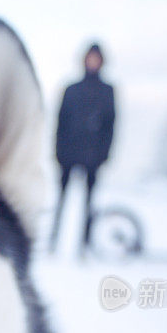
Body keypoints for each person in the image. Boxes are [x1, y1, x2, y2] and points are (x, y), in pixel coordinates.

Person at [49, 43, 115, 255]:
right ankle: (54, 241)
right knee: (61, 200)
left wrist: (104, 154)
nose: (92, 62)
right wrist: (58, 152)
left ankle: (84, 246)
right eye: (90, 57)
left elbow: (110, 125)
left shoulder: (107, 91)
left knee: (89, 204)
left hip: (93, 156)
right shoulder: (71, 89)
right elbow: (60, 122)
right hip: (68, 154)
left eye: (96, 58)